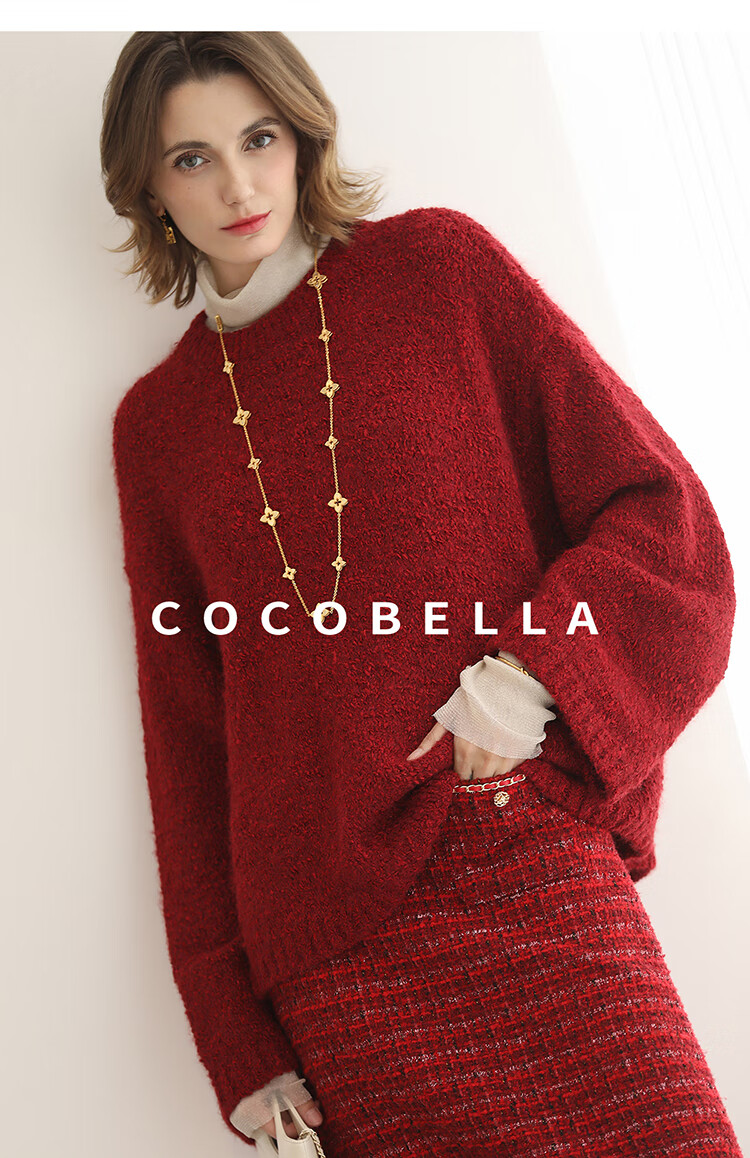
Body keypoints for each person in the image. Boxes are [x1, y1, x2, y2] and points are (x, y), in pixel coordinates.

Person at [103, 31, 743, 1157]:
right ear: (149, 187)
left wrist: (532, 680)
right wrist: (237, 1041)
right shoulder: (157, 430)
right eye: (192, 158)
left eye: (260, 139)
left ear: (304, 137)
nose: (240, 185)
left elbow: (662, 512)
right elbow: (190, 739)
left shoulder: (439, 271)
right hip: (336, 960)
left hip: (522, 858)